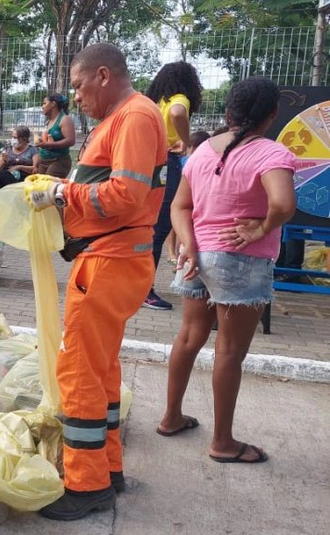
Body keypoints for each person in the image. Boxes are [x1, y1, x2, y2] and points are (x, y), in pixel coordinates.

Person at [25, 43, 166, 521]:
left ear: (103, 76)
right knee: (101, 368)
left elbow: (127, 194)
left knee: (81, 371)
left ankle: (86, 485)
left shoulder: (134, 117)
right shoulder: (127, 117)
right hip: (113, 259)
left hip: (110, 260)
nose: (76, 97)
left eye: (80, 86)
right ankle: (108, 468)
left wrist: (63, 192)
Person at [158, 77, 296, 464]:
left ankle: (171, 417)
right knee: (230, 352)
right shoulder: (270, 153)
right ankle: (223, 442)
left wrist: (189, 243)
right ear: (271, 115)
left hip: (198, 259)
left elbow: (179, 207)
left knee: (188, 338)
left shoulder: (201, 153)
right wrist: (261, 228)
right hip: (241, 260)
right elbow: (283, 204)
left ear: (228, 112)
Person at [142, 61, 203, 310]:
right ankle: (145, 291)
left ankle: (137, 286)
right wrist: (187, 142)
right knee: (160, 227)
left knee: (147, 226)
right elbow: (178, 113)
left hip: (150, 162)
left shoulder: (156, 101)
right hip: (168, 164)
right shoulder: (179, 99)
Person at [164, 130, 212, 263]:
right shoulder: (188, 161)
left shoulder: (186, 160)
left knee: (178, 225)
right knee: (180, 224)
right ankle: (174, 253)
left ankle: (176, 254)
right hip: (185, 198)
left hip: (184, 200)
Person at [35, 93, 76, 178]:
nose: (42, 106)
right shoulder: (49, 121)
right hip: (44, 161)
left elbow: (71, 140)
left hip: (58, 161)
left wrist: (50, 145)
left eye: (44, 103)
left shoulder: (64, 119)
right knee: (39, 187)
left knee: (47, 186)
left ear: (53, 104)